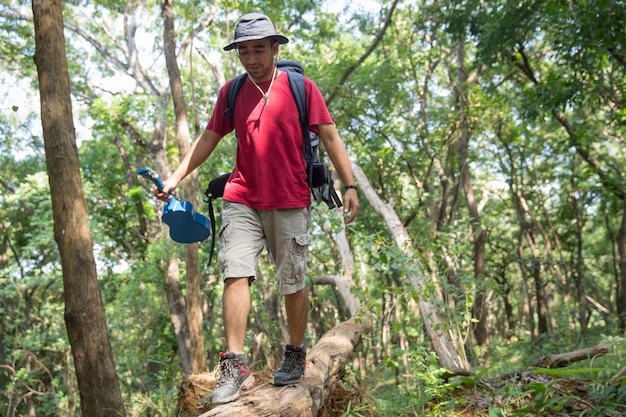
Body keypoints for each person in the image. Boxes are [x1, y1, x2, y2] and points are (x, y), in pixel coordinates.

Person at [156, 12, 359, 404]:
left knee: (292, 279)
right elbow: (209, 137)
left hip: (290, 197)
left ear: (275, 48)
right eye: (244, 51)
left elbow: (330, 136)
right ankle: (234, 366)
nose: (252, 58)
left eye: (259, 50)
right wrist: (176, 177)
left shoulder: (301, 88)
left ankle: (296, 353)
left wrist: (349, 184)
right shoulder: (232, 93)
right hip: (242, 196)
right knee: (235, 271)